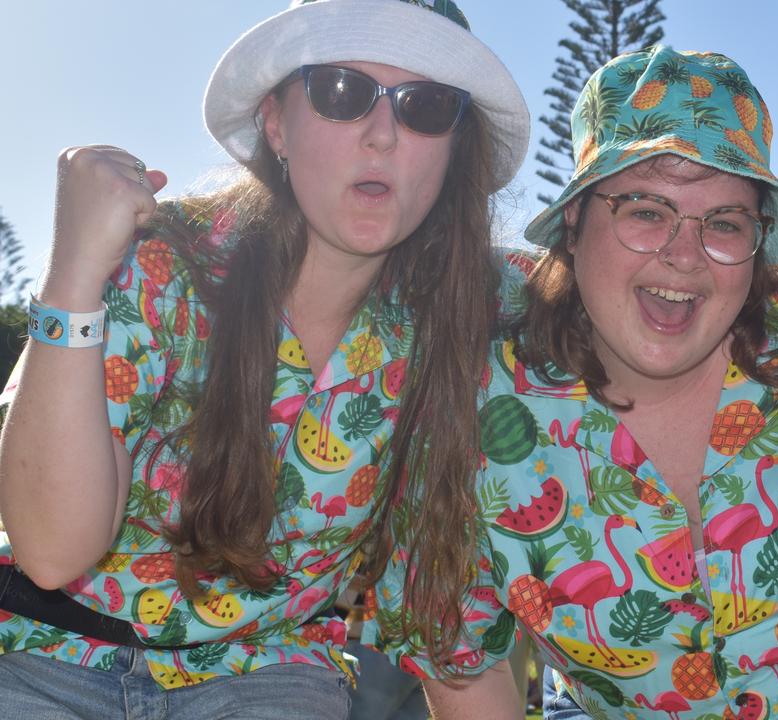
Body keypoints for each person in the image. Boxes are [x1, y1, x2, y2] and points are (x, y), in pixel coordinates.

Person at [0, 0, 528, 716]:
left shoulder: (468, 318)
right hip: (42, 651)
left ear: (453, 147)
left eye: (425, 107)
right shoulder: (166, 264)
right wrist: (73, 273)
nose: (382, 135)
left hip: (265, 670)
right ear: (277, 122)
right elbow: (54, 550)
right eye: (342, 92)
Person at [392, 45, 778, 719]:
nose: (683, 256)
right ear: (574, 221)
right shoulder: (468, 395)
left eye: (723, 223)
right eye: (646, 210)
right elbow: (464, 667)